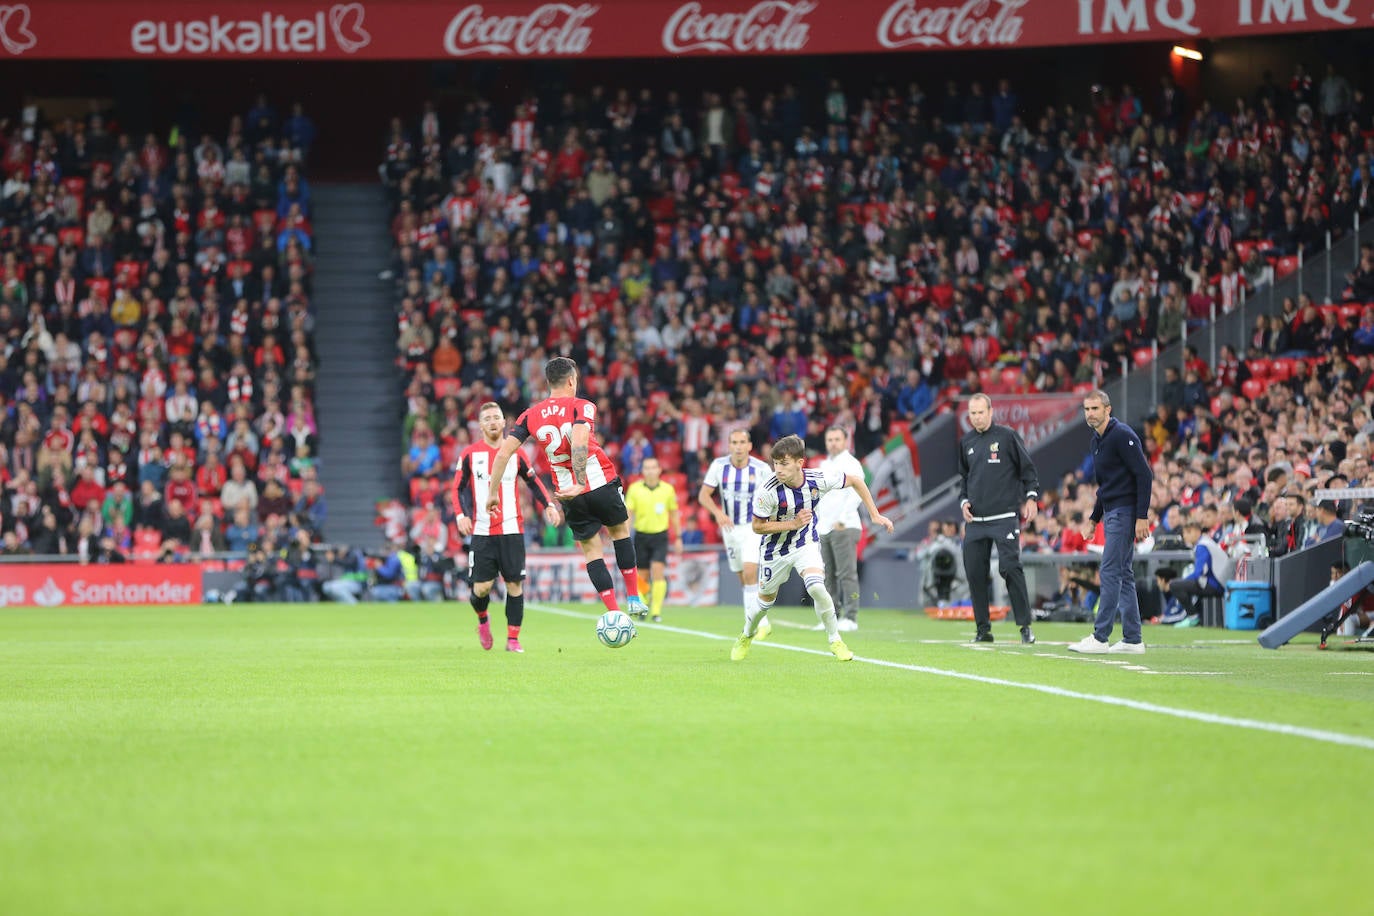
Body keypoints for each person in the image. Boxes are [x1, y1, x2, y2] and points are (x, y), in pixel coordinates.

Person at [486, 357, 646, 619]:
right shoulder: (582, 406)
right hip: (598, 481)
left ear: (549, 383)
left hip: (567, 494)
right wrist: (582, 480)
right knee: (619, 533)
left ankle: (615, 614)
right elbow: (580, 440)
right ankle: (634, 598)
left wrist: (493, 493)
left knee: (592, 551)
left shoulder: (530, 415)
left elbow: (503, 454)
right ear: (572, 381)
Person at [730, 435, 893, 662]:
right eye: (775, 463)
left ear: (800, 463)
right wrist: (792, 524)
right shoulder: (767, 490)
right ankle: (746, 635)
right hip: (773, 552)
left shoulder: (818, 479)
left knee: (816, 587)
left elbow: (856, 480)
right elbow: (757, 527)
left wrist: (874, 514)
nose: (778, 469)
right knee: (763, 604)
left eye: (784, 463)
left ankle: (836, 640)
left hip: (805, 543)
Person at [453, 401, 561, 653]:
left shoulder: (517, 452)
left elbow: (533, 481)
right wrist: (461, 515)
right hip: (481, 531)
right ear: (480, 425)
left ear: (504, 423)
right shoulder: (470, 454)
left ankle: (513, 639)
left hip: (512, 529)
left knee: (515, 585)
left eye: (496, 417)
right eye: (487, 418)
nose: (492, 421)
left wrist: (548, 504)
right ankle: (483, 619)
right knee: (481, 589)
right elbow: (457, 488)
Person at [1070, 390, 1154, 654]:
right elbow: (1105, 487)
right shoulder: (1097, 440)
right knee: (1124, 574)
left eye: (1095, 408)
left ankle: (1100, 637)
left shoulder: (1122, 435)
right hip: (1114, 511)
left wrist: (1142, 515)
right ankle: (1132, 639)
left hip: (1126, 511)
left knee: (1109, 571)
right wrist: (1094, 519)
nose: (1090, 413)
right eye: (1086, 409)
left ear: (1108, 409)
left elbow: (1144, 475)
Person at [957, 394, 1041, 644]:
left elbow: (1028, 469)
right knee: (974, 573)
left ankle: (1025, 627)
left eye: (981, 412)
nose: (977, 417)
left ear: (991, 412)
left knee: (1010, 567)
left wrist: (1032, 497)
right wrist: (963, 502)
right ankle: (983, 630)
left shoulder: (1007, 436)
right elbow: (964, 479)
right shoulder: (966, 441)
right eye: (972, 414)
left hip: (1004, 517)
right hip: (975, 521)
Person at [698, 429, 775, 642]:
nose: (739, 446)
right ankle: (759, 621)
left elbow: (775, 494)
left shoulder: (761, 468)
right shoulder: (719, 466)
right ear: (729, 445)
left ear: (750, 446)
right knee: (744, 579)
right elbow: (704, 495)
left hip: (754, 527)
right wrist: (718, 513)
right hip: (730, 530)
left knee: (751, 572)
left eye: (743, 442)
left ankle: (756, 625)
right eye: (734, 442)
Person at [815, 426, 867, 632]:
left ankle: (851, 617)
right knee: (827, 575)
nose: (833, 443)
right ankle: (831, 617)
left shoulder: (851, 463)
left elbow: (857, 492)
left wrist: (843, 519)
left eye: (837, 439)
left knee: (846, 573)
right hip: (824, 526)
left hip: (844, 526)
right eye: (829, 439)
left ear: (846, 441)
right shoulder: (823, 464)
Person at [623, 456, 682, 622]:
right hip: (641, 535)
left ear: (659, 470)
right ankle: (644, 603)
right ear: (642, 471)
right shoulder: (634, 489)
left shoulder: (667, 489)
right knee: (641, 575)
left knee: (658, 571)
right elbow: (629, 514)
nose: (650, 471)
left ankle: (656, 612)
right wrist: (625, 536)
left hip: (660, 536)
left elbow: (674, 514)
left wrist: (678, 537)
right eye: (646, 468)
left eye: (653, 467)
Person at [1163, 520, 1232, 627]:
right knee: (1184, 584)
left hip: (1216, 585)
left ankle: (1192, 617)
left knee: (1175, 585)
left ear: (1196, 532)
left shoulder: (1202, 546)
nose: (1184, 536)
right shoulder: (1206, 542)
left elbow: (1198, 573)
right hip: (1220, 583)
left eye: (1187, 533)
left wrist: (1184, 581)